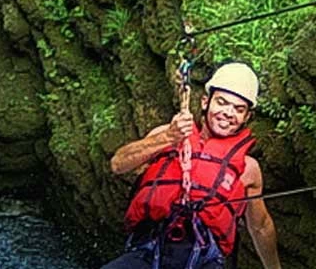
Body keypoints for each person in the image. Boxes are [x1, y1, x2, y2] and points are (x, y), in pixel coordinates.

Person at [104, 62, 281, 269]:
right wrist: (168, 137)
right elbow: (118, 164)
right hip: (149, 250)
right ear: (206, 102)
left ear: (246, 117)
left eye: (238, 109)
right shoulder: (168, 135)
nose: (228, 113)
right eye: (222, 103)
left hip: (204, 259)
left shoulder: (248, 169)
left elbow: (260, 227)